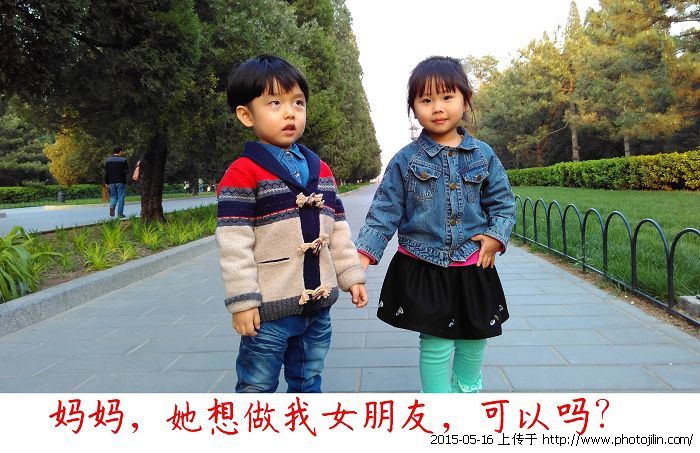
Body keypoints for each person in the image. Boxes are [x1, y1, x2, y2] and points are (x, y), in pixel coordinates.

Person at [354, 56, 516, 393]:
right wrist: (362, 258)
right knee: (436, 341)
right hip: (424, 265)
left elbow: (503, 202)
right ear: (413, 108)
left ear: (465, 100)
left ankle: (466, 392)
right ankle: (437, 406)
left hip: (473, 264)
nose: (437, 107)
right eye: (426, 100)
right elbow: (384, 211)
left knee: (476, 337)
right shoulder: (405, 160)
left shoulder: (483, 155)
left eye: (447, 97)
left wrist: (495, 236)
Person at [216, 54, 368, 393]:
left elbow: (337, 230)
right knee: (257, 385)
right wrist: (243, 301)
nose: (290, 113)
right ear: (246, 115)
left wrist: (350, 275)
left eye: (298, 103)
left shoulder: (321, 170)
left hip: (318, 308)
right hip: (268, 312)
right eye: (275, 103)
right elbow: (234, 243)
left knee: (309, 379)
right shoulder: (243, 173)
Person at [104, 145, 129, 218]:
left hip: (111, 182)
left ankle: (112, 207)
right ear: (120, 151)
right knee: (121, 197)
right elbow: (126, 171)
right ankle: (120, 214)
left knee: (113, 196)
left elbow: (107, 172)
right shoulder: (123, 160)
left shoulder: (108, 160)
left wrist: (106, 182)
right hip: (121, 181)